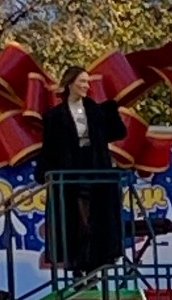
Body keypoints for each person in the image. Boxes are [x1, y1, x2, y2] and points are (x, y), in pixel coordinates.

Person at [36, 67, 127, 277]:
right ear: (70, 84)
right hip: (70, 170)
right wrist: (42, 171)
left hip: (96, 167)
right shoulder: (54, 115)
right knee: (75, 218)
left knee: (98, 216)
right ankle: (78, 264)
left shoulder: (95, 110)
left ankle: (96, 264)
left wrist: (112, 110)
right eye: (82, 81)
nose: (86, 86)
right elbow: (49, 147)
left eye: (87, 82)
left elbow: (118, 133)